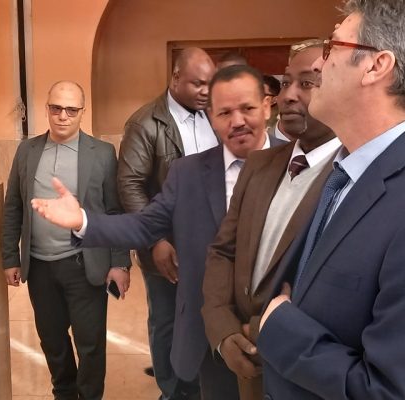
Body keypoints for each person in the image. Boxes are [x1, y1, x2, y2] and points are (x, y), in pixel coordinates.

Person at [31, 65, 282, 400]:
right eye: (224, 112)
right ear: (211, 116)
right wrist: (84, 221)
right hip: (207, 334)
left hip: (275, 335)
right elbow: (145, 225)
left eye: (247, 108)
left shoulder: (299, 166)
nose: (237, 121)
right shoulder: (188, 172)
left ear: (266, 105)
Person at [258, 1, 405, 399]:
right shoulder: (346, 172)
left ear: (376, 66)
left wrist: (281, 330)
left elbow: (387, 390)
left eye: (331, 47)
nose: (319, 65)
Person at [201, 41, 341, 400]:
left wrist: (266, 330)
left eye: (307, 83)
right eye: (286, 82)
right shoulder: (260, 165)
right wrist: (223, 329)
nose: (287, 96)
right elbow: (224, 250)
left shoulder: (350, 174)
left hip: (307, 371)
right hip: (245, 359)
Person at [1, 81, 131, 400]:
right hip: (40, 268)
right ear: (47, 109)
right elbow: (13, 206)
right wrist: (10, 257)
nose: (63, 116)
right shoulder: (27, 151)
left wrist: (120, 263)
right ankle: (64, 392)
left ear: (82, 112)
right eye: (56, 108)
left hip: (85, 265)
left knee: (90, 344)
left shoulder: (102, 153)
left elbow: (114, 211)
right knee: (52, 341)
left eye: (71, 110)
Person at [116, 47, 218, 399]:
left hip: (212, 244)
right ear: (175, 78)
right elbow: (130, 185)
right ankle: (173, 391)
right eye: (198, 83)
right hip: (167, 247)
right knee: (168, 321)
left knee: (205, 316)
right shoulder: (145, 123)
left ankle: (201, 386)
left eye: (210, 83)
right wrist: (156, 239)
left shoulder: (214, 115)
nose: (206, 91)